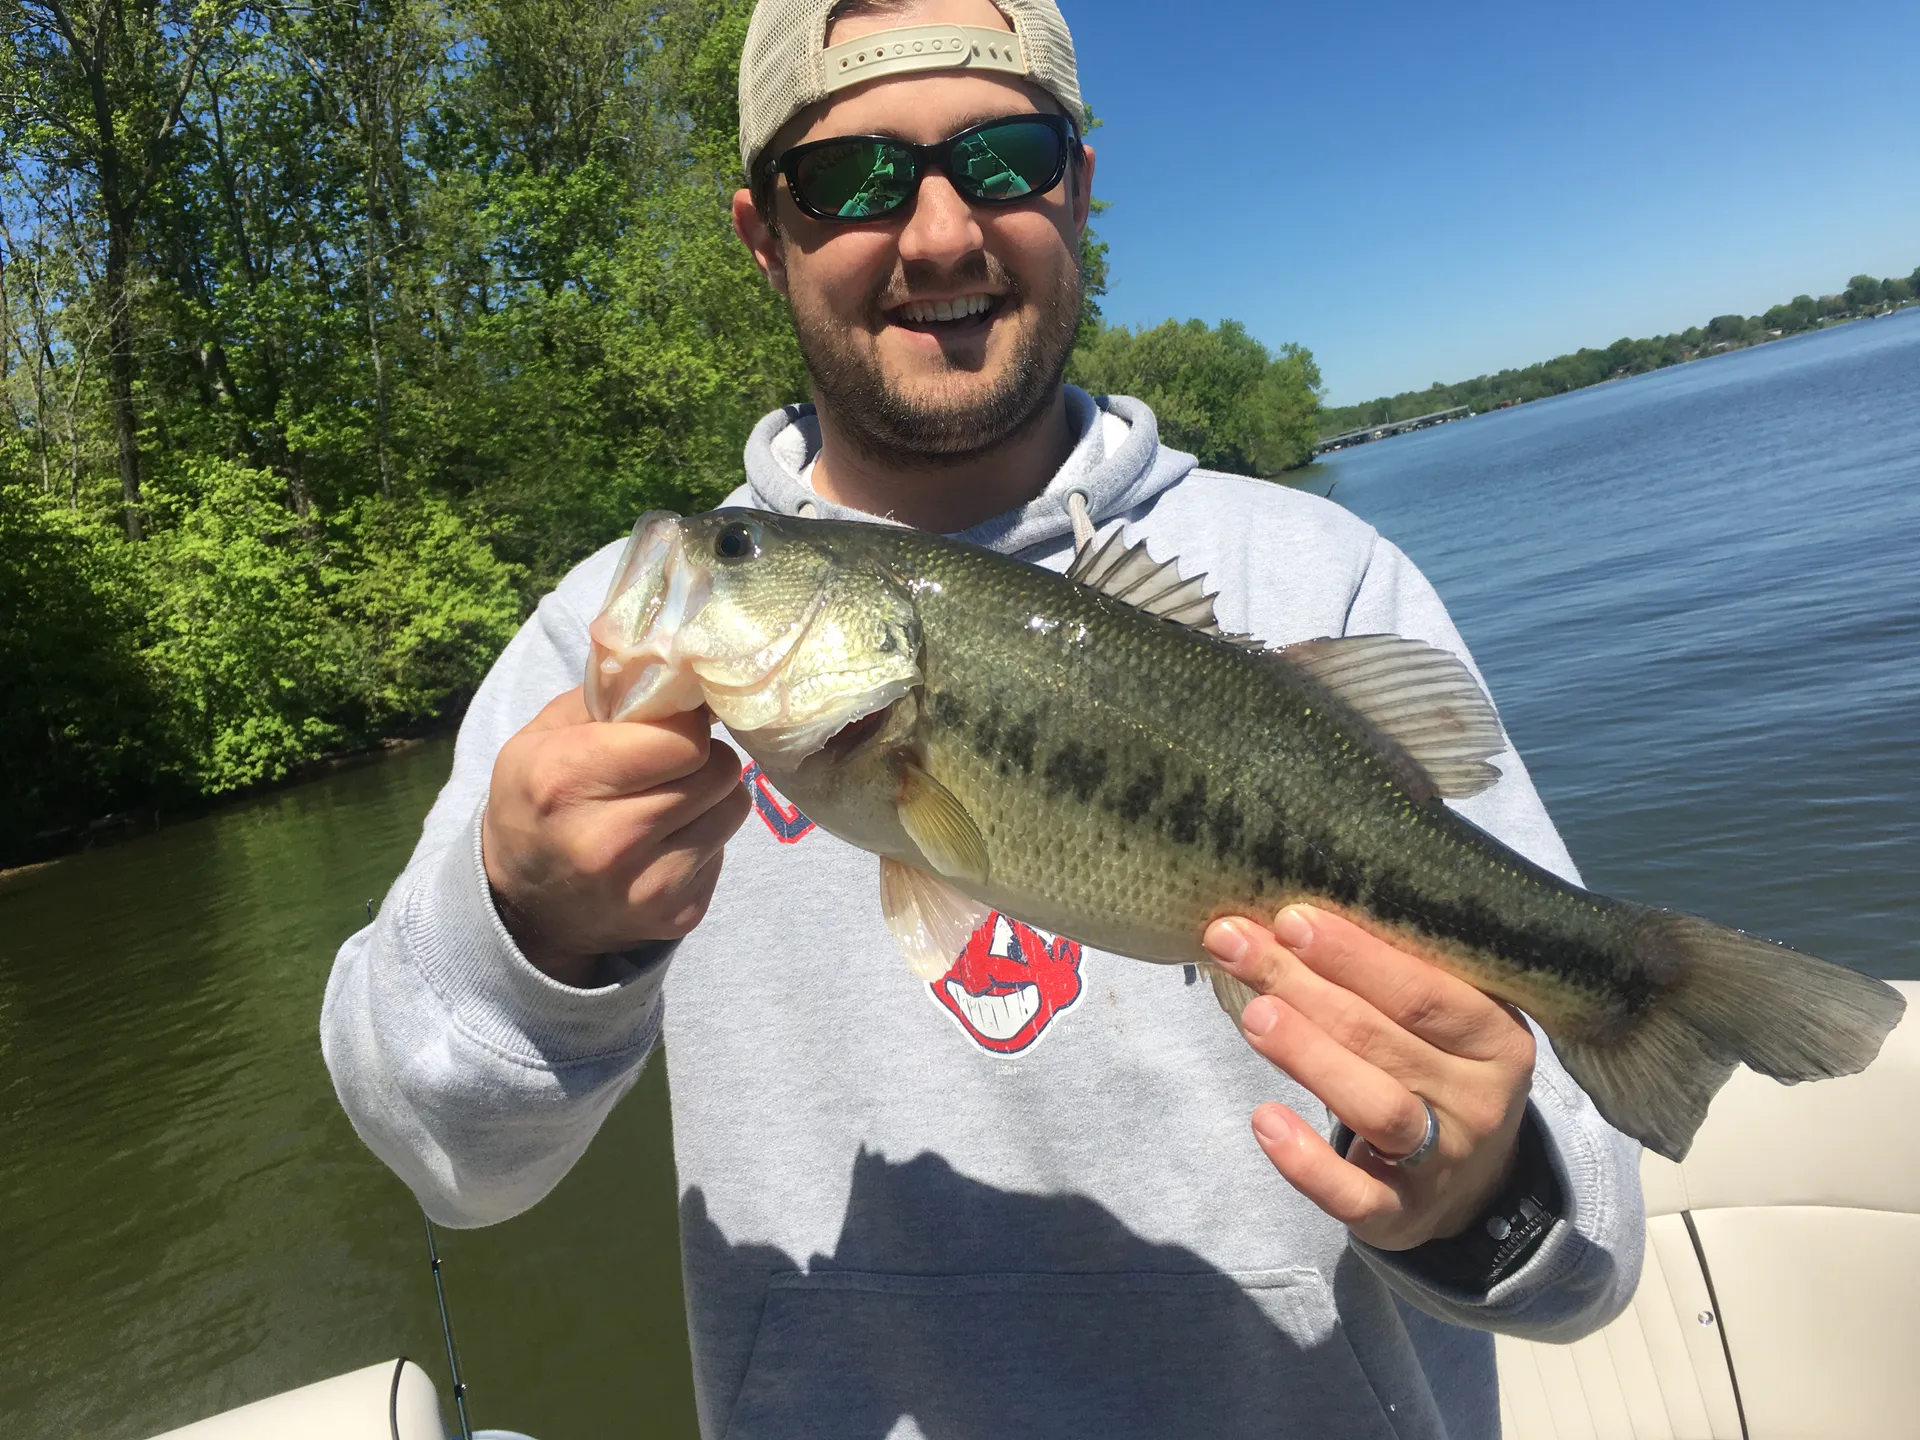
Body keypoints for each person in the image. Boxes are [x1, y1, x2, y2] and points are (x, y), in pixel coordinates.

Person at [322, 1, 1642, 1435]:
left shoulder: (1322, 576)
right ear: (762, 234)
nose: (941, 231)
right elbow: (448, 1164)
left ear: (1077, 188)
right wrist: (535, 935)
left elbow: (1593, 1246)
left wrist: (1479, 1186)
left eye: (1004, 158)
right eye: (853, 180)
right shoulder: (615, 645)